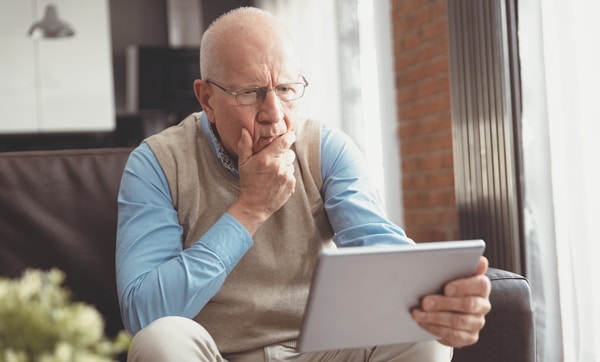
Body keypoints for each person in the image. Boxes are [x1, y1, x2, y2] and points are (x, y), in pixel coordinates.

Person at [116, 6, 491, 362]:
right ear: (207, 98)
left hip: (323, 352)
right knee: (159, 339)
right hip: (217, 354)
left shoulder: (326, 149)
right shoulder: (156, 164)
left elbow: (384, 257)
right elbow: (144, 312)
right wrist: (250, 210)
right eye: (250, 93)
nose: (274, 115)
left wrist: (443, 305)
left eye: (286, 89)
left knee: (422, 333)